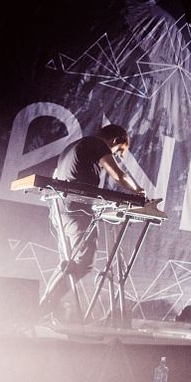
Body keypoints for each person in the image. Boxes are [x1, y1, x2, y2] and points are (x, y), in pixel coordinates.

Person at [39, 124, 145, 319]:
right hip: (76, 209)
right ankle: (45, 307)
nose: (118, 156)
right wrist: (139, 193)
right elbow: (119, 175)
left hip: (59, 210)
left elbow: (58, 177)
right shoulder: (97, 144)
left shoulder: (74, 146)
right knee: (86, 263)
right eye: (119, 150)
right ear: (115, 140)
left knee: (68, 264)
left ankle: (42, 307)